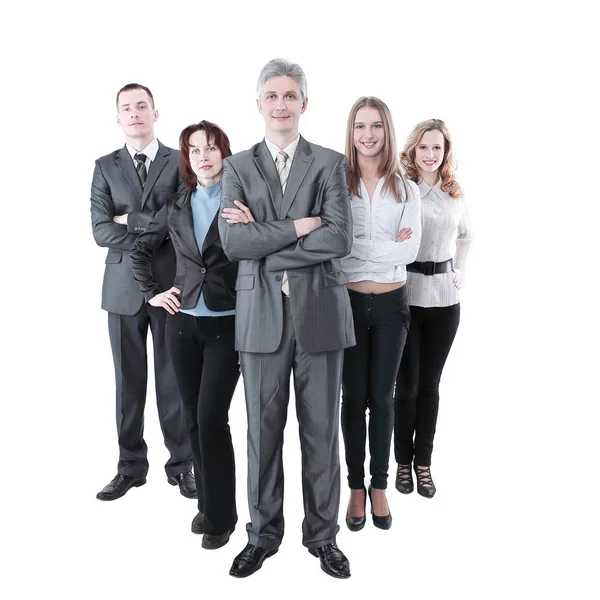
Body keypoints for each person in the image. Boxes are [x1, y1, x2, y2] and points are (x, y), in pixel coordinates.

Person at [218, 58, 355, 579]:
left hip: (320, 311)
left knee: (322, 432)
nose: (281, 105)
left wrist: (267, 244)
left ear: (304, 103)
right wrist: (301, 225)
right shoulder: (236, 166)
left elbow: (339, 238)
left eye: (289, 96)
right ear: (259, 105)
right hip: (259, 318)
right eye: (271, 96)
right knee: (262, 432)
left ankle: (323, 537)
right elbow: (234, 242)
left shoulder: (328, 162)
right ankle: (261, 535)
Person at [130, 121, 240, 549]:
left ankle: (221, 518)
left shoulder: (240, 199)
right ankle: (209, 505)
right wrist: (153, 294)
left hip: (226, 322)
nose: (203, 156)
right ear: (187, 160)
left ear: (223, 152)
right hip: (181, 323)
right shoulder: (177, 204)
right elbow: (139, 248)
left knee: (213, 419)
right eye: (194, 151)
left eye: (210, 148)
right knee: (193, 420)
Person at [90, 83, 195, 502]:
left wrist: (129, 218)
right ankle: (130, 466)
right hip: (121, 292)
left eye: (141, 106)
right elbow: (99, 230)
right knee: (127, 385)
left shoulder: (179, 161)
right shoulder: (104, 166)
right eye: (126, 108)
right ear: (118, 117)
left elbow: (182, 220)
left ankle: (182, 465)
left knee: (174, 381)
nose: (134, 113)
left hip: (171, 287)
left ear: (155, 112)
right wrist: (150, 225)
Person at [340, 97, 421, 531]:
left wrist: (361, 250)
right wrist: (383, 250)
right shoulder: (338, 182)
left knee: (383, 398)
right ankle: (355, 486)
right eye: (359, 126)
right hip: (349, 304)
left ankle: (379, 485)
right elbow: (337, 248)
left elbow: (409, 251)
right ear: (350, 133)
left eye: (375, 126)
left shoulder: (405, 187)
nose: (367, 134)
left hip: (392, 305)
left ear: (387, 131)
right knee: (353, 399)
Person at [394, 119, 473, 498]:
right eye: (423, 147)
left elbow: (467, 235)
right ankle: (402, 463)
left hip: (444, 300)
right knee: (405, 385)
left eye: (437, 148)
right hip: (407, 297)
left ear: (445, 152)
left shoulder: (454, 193)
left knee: (430, 385)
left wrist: (460, 270)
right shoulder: (404, 189)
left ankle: (423, 463)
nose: (430, 154)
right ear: (413, 150)